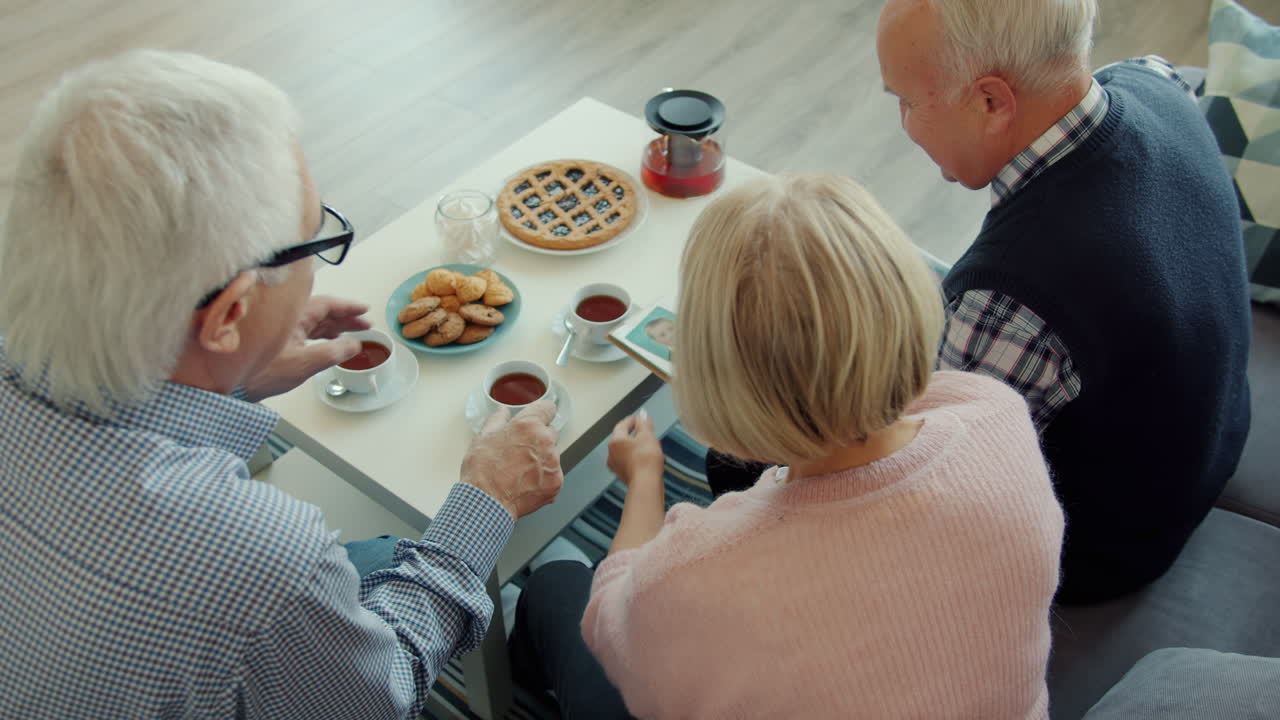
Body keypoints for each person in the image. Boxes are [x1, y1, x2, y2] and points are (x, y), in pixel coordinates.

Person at [0, 50, 563, 719]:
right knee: (388, 561)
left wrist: (228, 375)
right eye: (309, 239)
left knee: (380, 551)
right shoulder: (264, 558)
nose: (314, 267)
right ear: (230, 312)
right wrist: (486, 503)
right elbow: (379, 700)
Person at [710, 0, 1254, 606]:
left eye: (909, 102)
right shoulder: (1154, 82)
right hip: (1209, 437)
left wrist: (751, 454)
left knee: (736, 468)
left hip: (1107, 545)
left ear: (992, 101)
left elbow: (902, 485)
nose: (903, 124)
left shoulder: (1014, 301)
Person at [509, 175, 1065, 718]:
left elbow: (611, 624)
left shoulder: (693, 569)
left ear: (713, 376)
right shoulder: (998, 415)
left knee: (557, 586)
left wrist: (646, 477)